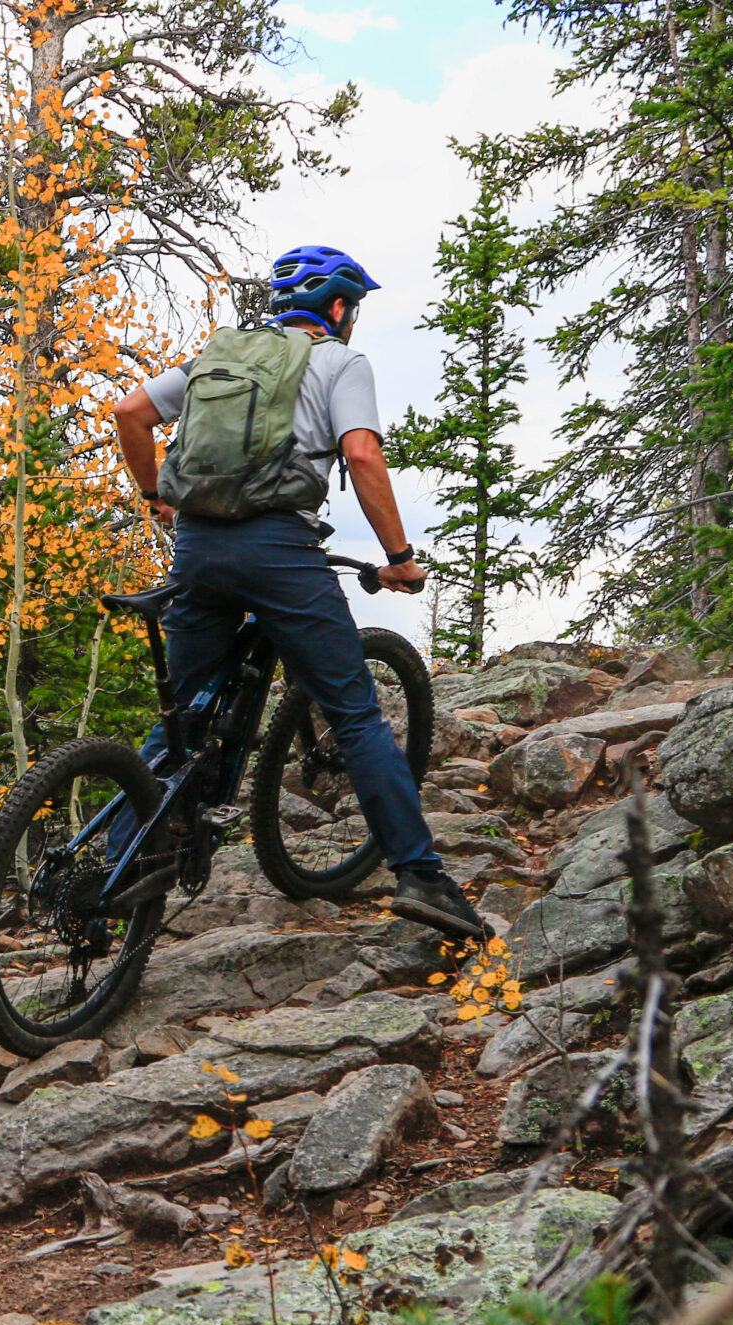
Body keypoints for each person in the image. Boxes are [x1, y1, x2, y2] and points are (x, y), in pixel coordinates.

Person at [110, 244, 487, 943]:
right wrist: (399, 559)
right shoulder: (341, 362)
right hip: (279, 549)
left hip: (197, 545)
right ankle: (422, 875)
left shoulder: (220, 356)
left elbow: (131, 412)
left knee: (186, 714)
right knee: (353, 711)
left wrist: (156, 497)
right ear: (338, 308)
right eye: (356, 309)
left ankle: (114, 876)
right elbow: (364, 455)